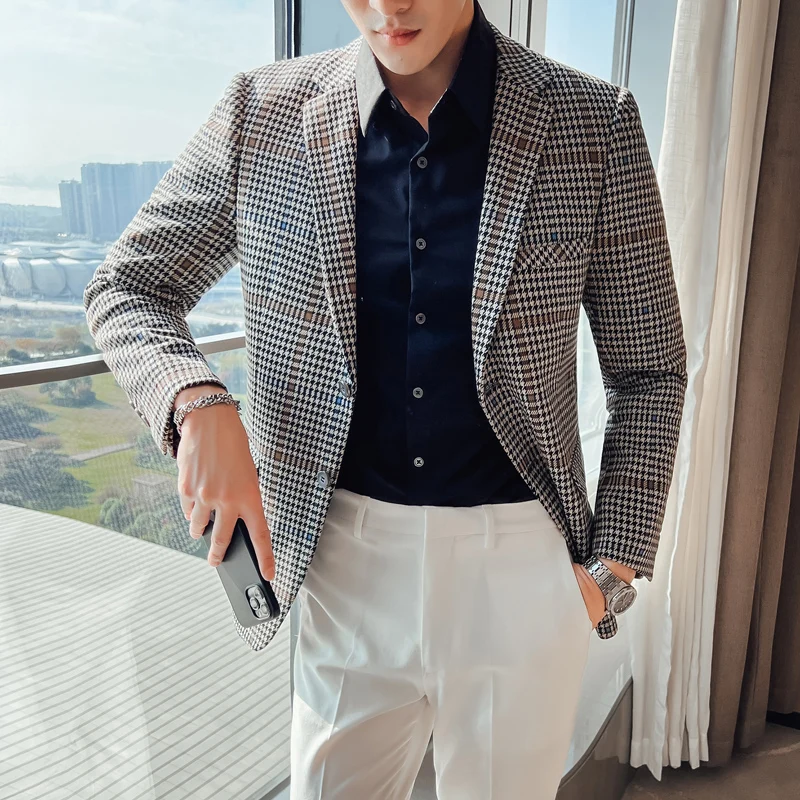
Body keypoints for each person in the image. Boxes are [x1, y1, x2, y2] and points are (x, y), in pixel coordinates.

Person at [84, 1, 687, 797]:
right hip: (344, 567)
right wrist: (197, 400)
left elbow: (650, 369)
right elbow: (127, 287)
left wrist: (609, 570)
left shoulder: (592, 123)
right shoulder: (260, 112)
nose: (388, 5)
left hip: (520, 568)